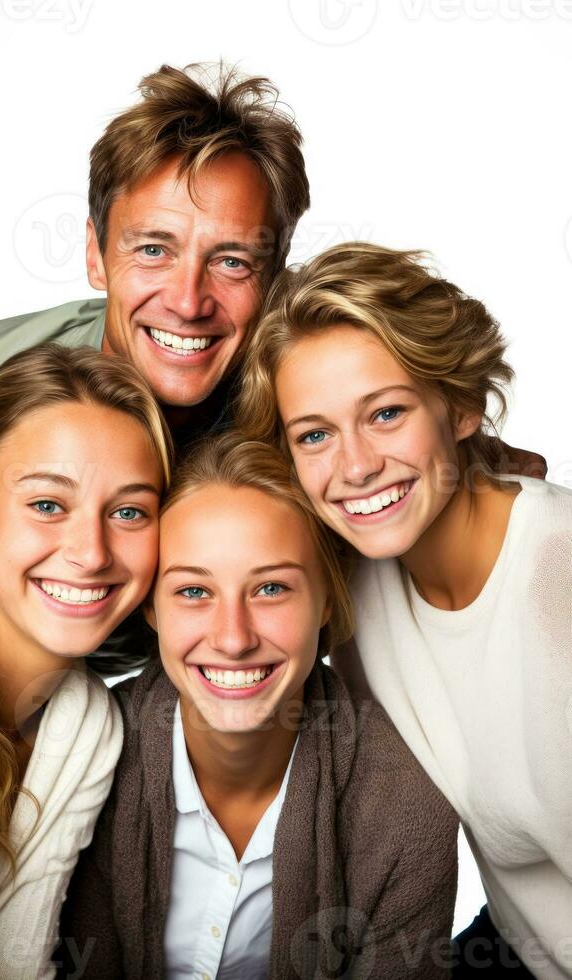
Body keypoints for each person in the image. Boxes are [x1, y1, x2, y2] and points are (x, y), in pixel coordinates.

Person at [236, 242, 572, 979]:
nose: (354, 467)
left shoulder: (557, 582)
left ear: (460, 407)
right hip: (515, 946)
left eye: (385, 413)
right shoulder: (352, 576)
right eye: (315, 435)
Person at [56, 432, 459, 980]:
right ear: (151, 607)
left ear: (328, 597)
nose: (233, 638)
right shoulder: (80, 756)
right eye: (194, 592)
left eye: (271, 589)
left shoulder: (402, 806)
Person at [0, 60, 309, 555]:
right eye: (152, 250)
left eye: (232, 261)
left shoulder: (313, 416)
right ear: (94, 256)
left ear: (274, 277)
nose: (188, 302)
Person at [0, 343, 172, 979]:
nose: (90, 552)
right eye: (47, 505)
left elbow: (15, 963)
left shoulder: (87, 726)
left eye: (129, 512)